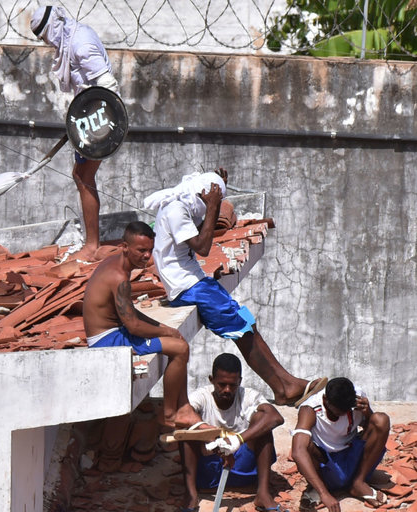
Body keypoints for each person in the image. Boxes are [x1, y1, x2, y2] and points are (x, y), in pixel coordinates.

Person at [144, 168, 326, 407]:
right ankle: (284, 387)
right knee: (241, 330)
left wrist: (215, 199)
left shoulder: (185, 207)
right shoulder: (176, 210)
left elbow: (203, 230)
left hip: (197, 282)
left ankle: (286, 383)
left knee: (248, 322)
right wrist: (212, 207)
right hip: (187, 288)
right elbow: (203, 247)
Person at [83, 221, 196, 428]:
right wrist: (165, 330)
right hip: (106, 340)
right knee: (180, 349)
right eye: (141, 250)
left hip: (114, 331)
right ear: (125, 247)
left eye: (150, 250)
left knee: (174, 338)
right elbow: (134, 326)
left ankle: (184, 406)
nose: (147, 256)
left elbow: (130, 313)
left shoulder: (116, 265)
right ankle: (170, 414)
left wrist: (165, 328)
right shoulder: (119, 278)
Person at [31, 5, 120, 262]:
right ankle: (90, 241)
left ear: (54, 26)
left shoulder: (80, 44)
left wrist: (95, 128)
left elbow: (106, 85)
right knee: (80, 175)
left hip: (99, 121)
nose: (46, 41)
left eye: (45, 34)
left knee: (83, 176)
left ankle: (92, 246)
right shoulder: (74, 37)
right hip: (87, 119)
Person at [179, 353, 286, 512]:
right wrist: (216, 436)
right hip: (210, 469)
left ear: (240, 381)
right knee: (186, 432)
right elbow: (181, 416)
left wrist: (237, 440)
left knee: (264, 424)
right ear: (211, 379)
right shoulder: (201, 396)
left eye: (232, 385)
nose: (227, 390)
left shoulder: (248, 396)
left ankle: (262, 494)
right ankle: (191, 495)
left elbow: (275, 417)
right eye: (221, 384)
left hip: (243, 467)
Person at [291, 377, 390, 512]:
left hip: (352, 452)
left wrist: (368, 412)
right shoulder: (310, 409)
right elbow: (298, 451)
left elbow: (373, 429)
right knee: (304, 444)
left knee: (381, 420)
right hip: (328, 461)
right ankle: (319, 487)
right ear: (326, 400)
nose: (345, 414)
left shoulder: (356, 399)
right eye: (339, 411)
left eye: (347, 410)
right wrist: (324, 494)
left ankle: (358, 482)